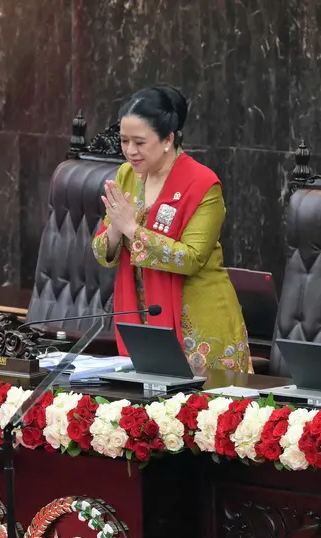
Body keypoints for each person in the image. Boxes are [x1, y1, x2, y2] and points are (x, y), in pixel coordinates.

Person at [92, 86, 250, 372]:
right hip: (144, 319)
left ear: (168, 139)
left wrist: (132, 229)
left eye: (139, 142)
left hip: (199, 325)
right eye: (124, 140)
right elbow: (102, 249)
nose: (129, 151)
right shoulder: (127, 175)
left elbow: (190, 258)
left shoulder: (203, 184)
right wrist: (116, 230)